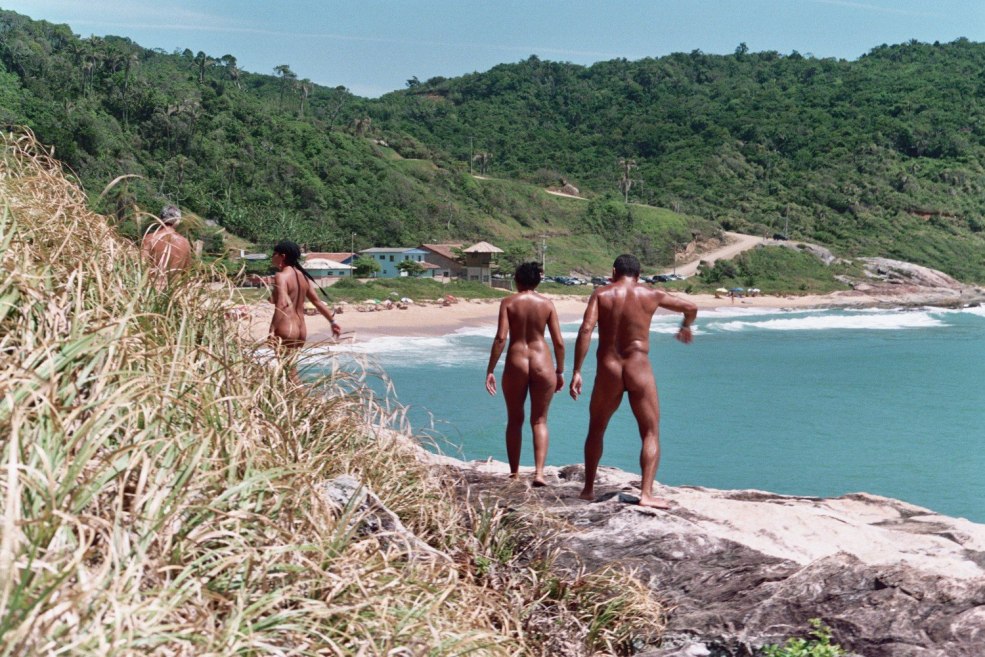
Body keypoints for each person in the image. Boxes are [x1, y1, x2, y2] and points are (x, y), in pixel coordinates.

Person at [569, 254, 697, 509]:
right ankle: (646, 494)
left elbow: (586, 329)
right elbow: (691, 307)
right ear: (639, 275)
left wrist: (577, 371)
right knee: (650, 431)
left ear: (614, 271)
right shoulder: (652, 294)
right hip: (639, 366)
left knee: (597, 427)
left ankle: (588, 489)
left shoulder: (601, 294)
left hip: (609, 368)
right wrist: (686, 326)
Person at [485, 262, 565, 486]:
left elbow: (501, 338)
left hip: (516, 361)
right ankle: (539, 474)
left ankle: (514, 473)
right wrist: (560, 370)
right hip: (542, 361)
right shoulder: (547, 304)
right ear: (537, 281)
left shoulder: (508, 303)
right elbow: (558, 342)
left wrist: (490, 369)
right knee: (539, 420)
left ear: (517, 280)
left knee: (515, 419)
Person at [250, 241, 342, 379]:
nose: (272, 257)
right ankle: (296, 398)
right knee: (290, 370)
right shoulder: (303, 277)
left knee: (289, 374)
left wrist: (272, 329)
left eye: (274, 254)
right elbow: (317, 302)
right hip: (300, 329)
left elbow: (281, 304)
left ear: (282, 256)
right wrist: (332, 321)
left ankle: (302, 398)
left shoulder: (281, 276)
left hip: (286, 328)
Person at [141, 204, 192, 282]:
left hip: (151, 290)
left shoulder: (150, 238)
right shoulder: (185, 243)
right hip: (173, 291)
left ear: (160, 218)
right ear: (178, 220)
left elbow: (142, 265)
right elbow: (186, 274)